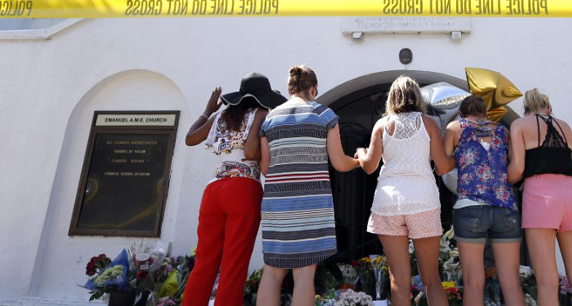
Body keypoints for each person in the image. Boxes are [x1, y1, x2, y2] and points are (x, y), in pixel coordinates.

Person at [257, 65, 361, 306]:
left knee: (272, 271)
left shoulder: (270, 118)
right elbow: (339, 163)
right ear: (313, 89)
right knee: (304, 273)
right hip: (311, 205)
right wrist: (359, 161)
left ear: (290, 89)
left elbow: (265, 168)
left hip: (276, 205)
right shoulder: (323, 115)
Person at [181, 73, 286, 306]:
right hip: (243, 187)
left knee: (205, 262)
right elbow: (250, 153)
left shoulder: (221, 115)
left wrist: (207, 110)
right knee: (234, 264)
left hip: (213, 190)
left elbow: (190, 138)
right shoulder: (261, 113)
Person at [355, 76, 455, 306]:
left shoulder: (382, 125)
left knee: (398, 281)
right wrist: (456, 157)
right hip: (422, 202)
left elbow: (370, 167)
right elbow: (442, 166)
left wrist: (360, 152)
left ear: (392, 98)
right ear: (417, 97)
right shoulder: (429, 123)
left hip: (388, 202)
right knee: (431, 280)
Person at [508, 89, 572, 306]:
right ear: (549, 108)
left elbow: (518, 168)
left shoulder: (519, 125)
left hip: (540, 197)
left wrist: (505, 179)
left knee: (547, 280)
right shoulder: (565, 126)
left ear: (525, 110)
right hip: (571, 194)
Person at [443, 95, 524, 306]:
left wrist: (460, 157)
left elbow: (443, 164)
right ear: (485, 113)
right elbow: (511, 166)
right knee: (512, 283)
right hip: (505, 207)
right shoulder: (502, 131)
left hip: (470, 206)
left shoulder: (455, 128)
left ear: (462, 113)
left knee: (473, 282)